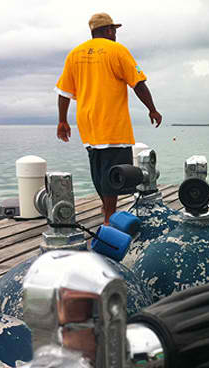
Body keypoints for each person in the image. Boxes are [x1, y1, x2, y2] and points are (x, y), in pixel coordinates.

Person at [54, 12, 162, 224]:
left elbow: (63, 92)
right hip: (112, 123)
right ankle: (109, 217)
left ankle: (107, 207)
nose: (115, 35)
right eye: (114, 30)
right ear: (108, 30)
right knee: (114, 173)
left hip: (88, 124)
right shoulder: (118, 51)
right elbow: (138, 83)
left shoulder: (74, 54)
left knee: (99, 169)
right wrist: (152, 109)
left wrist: (62, 121)